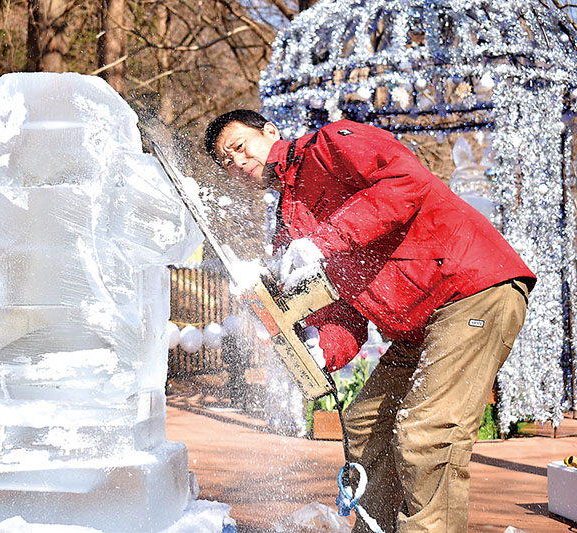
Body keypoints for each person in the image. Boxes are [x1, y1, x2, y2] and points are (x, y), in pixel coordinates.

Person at [203, 109, 536, 533]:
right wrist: (325, 345)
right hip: (419, 324)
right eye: (226, 162)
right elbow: (341, 311)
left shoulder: (329, 144)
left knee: (428, 431)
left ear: (270, 131)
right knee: (364, 426)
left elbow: (405, 183)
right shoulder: (288, 229)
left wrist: (323, 242)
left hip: (469, 288)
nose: (237, 161)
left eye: (238, 146)